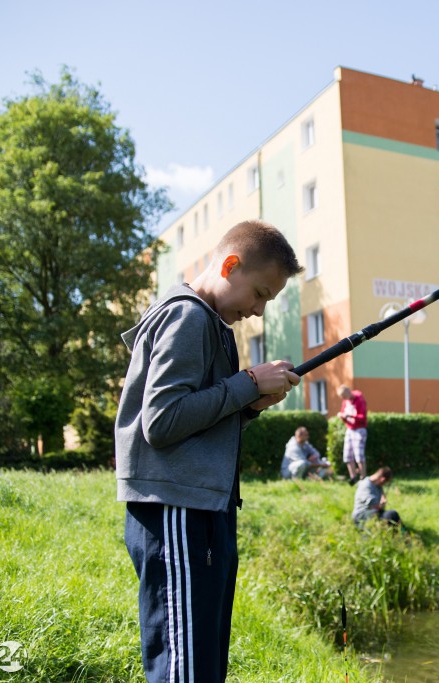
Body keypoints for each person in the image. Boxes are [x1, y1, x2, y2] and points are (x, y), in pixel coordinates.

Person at [115, 219, 303, 683]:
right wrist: (245, 384)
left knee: (204, 657)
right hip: (177, 510)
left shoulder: (212, 324)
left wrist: (250, 402)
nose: (258, 310)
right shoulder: (188, 316)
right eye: (258, 293)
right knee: (185, 666)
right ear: (230, 264)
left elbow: (196, 419)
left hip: (202, 507)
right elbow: (161, 422)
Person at [337, 384, 368, 483]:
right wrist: (342, 417)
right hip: (350, 429)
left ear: (348, 393)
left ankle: (363, 477)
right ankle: (353, 477)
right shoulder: (345, 401)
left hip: (359, 429)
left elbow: (362, 417)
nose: (344, 400)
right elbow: (345, 417)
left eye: (344, 397)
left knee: (359, 455)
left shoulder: (359, 399)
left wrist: (350, 415)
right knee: (347, 455)